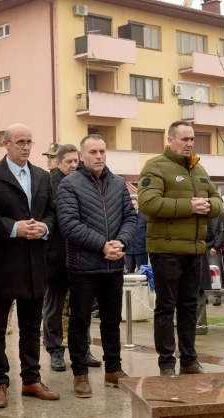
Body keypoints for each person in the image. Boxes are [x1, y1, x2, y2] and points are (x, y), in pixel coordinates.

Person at [0, 123, 59, 408]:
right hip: (0, 264)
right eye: (20, 141)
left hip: (34, 263)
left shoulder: (42, 177)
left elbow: (52, 214)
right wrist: (13, 228)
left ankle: (31, 380)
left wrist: (44, 228)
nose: (25, 146)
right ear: (6, 144)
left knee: (32, 326)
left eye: (29, 141)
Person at [138, 121, 222, 377]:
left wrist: (210, 205)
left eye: (192, 139)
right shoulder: (155, 166)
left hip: (195, 250)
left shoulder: (199, 168)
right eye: (184, 139)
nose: (189, 143)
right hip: (166, 250)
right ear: (170, 140)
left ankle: (189, 360)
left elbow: (216, 200)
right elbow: (148, 203)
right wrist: (190, 206)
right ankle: (166, 363)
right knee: (166, 306)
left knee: (189, 306)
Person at [57, 134, 137, 397]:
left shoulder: (117, 183)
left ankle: (113, 369)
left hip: (113, 265)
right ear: (82, 155)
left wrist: (120, 243)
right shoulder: (69, 185)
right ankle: (80, 373)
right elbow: (69, 224)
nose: (99, 156)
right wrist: (102, 245)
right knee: (80, 321)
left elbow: (130, 218)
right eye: (93, 152)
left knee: (112, 320)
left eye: (102, 151)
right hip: (83, 267)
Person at [43, 144, 101, 373]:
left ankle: (83, 349)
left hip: (81, 255)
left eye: (76, 161)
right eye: (68, 162)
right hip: (56, 255)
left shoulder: (85, 181)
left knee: (82, 306)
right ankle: (55, 350)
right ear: (57, 163)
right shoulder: (48, 185)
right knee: (54, 306)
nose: (73, 165)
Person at [206, 211, 224, 305]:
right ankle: (204, 295)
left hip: (213, 248)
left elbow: (223, 232)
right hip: (202, 246)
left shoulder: (220, 215)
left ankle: (217, 295)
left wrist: (216, 246)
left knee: (216, 272)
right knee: (203, 273)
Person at [125, 198, 149, 273]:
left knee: (143, 273)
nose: (132, 206)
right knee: (129, 273)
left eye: (134, 204)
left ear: (138, 205)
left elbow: (148, 232)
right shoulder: (125, 217)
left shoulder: (144, 217)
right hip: (128, 251)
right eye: (131, 204)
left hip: (141, 250)